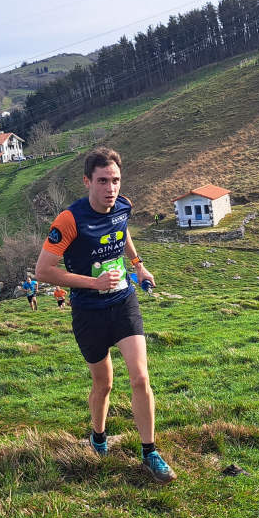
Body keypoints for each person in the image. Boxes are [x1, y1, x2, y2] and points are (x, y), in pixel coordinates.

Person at [35, 147, 175, 483]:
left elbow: (122, 231)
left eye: (115, 180)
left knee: (140, 377)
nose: (110, 188)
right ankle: (98, 437)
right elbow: (43, 270)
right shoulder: (69, 220)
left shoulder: (123, 205)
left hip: (123, 302)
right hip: (88, 312)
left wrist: (138, 266)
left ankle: (150, 452)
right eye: (102, 181)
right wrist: (93, 283)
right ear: (87, 181)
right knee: (104, 383)